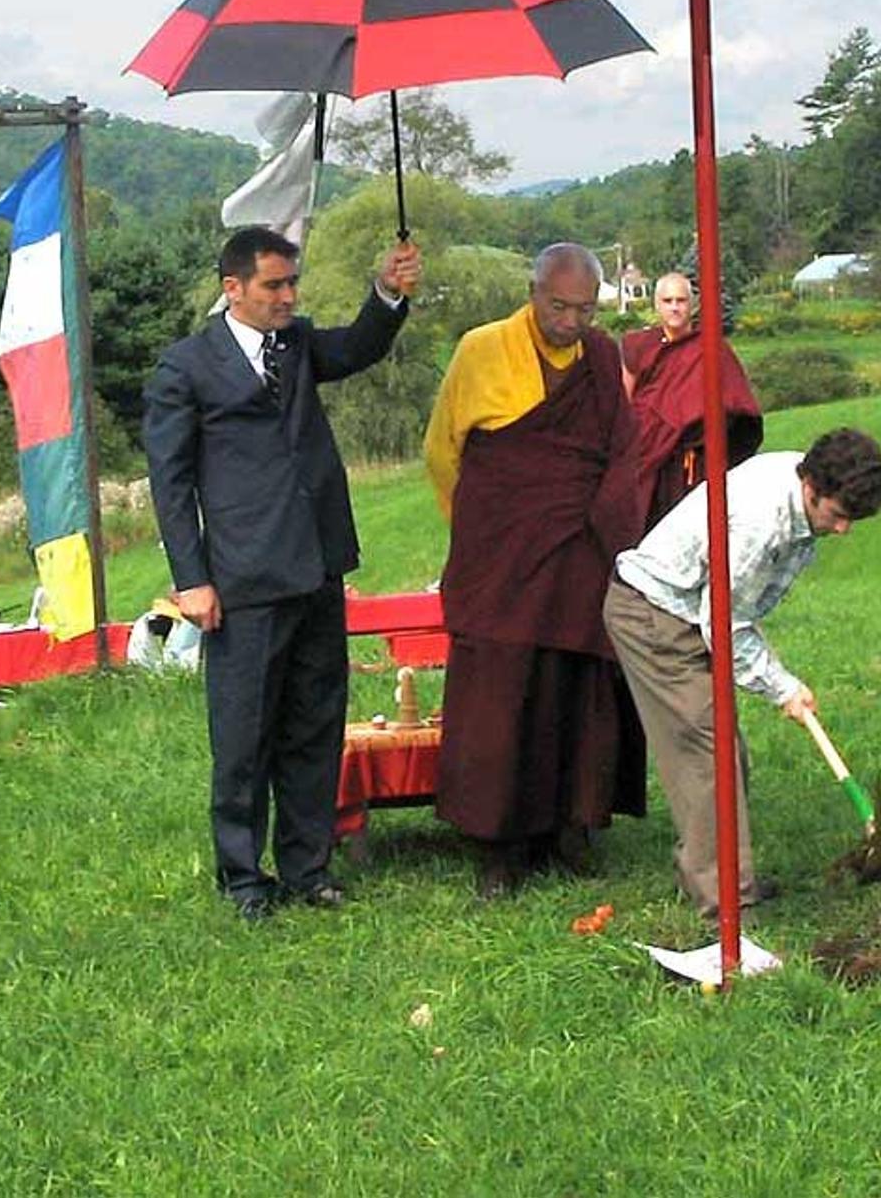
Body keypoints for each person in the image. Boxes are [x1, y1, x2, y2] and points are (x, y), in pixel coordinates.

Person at [144, 226, 420, 920]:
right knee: (243, 735)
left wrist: (388, 290)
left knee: (314, 724)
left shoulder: (296, 346)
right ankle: (242, 876)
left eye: (292, 283)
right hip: (242, 580)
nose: (288, 297)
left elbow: (357, 345)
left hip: (318, 567)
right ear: (232, 287)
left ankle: (308, 865)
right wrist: (193, 578)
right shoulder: (186, 367)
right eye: (274, 285)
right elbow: (171, 483)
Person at [422, 244, 645, 896]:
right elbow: (443, 450)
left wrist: (607, 525)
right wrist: (483, 529)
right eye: (559, 306)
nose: (572, 321)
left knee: (579, 683)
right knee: (499, 693)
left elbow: (622, 449)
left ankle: (569, 826)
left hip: (580, 546)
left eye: (584, 308)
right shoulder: (481, 348)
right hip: (503, 551)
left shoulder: (602, 359)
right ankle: (498, 843)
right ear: (532, 291)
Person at [604, 427, 881, 911]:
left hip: (688, 610)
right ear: (810, 488)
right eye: (837, 516)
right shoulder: (760, 523)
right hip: (653, 616)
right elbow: (725, 625)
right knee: (708, 754)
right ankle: (724, 899)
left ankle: (726, 876)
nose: (843, 530)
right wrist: (782, 688)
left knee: (723, 753)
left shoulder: (809, 477)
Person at [604, 269, 762, 553]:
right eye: (667, 301)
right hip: (648, 453)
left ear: (693, 305)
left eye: (681, 300)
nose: (675, 307)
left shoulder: (711, 348)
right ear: (656, 305)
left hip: (693, 459)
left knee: (690, 533)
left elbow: (737, 402)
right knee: (641, 529)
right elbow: (623, 403)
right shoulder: (638, 346)